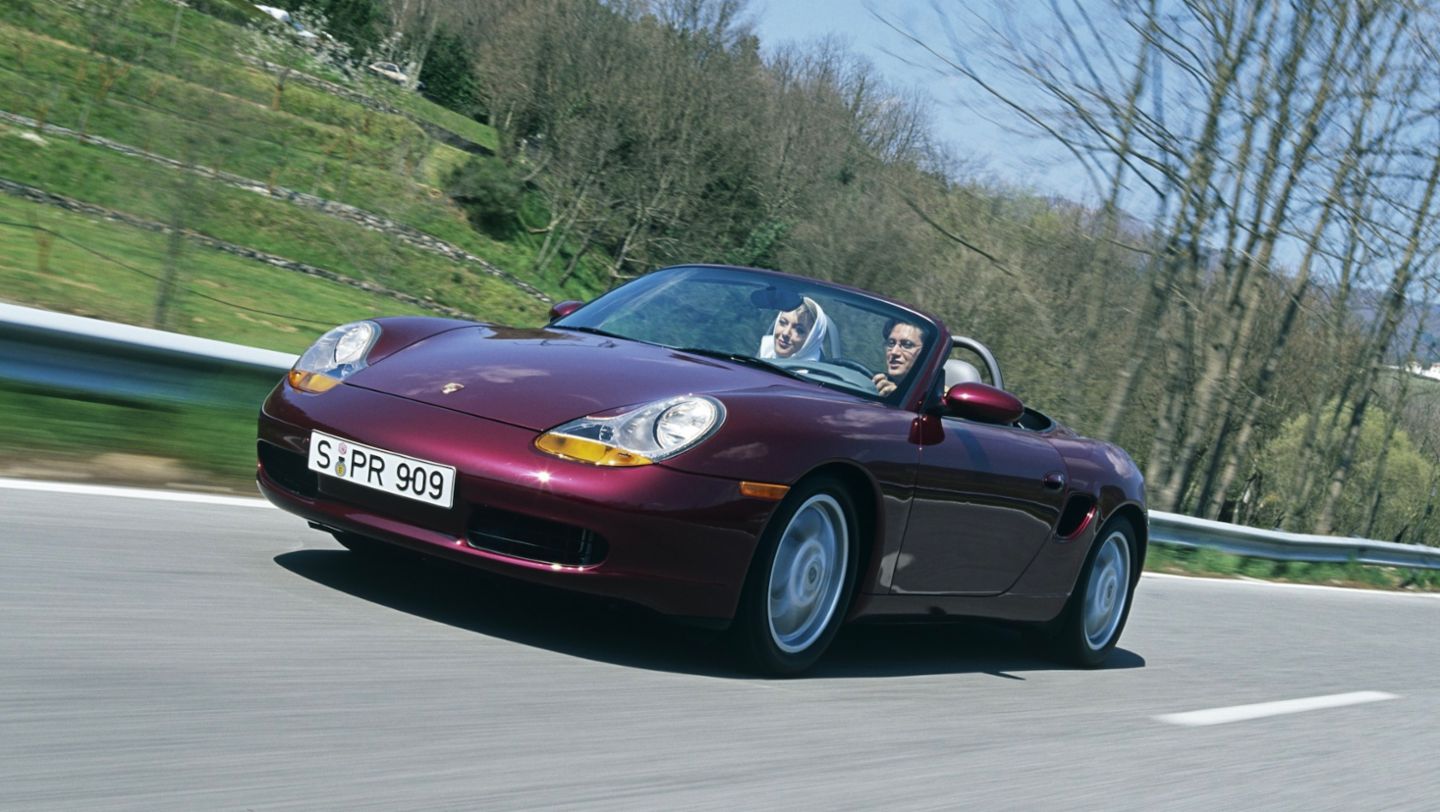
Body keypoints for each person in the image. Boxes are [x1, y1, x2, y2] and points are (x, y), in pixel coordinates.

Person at [757, 296, 832, 361]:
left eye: (799, 330)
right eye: (783, 322)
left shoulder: (816, 375)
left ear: (812, 340)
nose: (785, 333)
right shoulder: (765, 351)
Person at [872, 319, 925, 396]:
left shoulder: (931, 400)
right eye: (891, 343)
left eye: (907, 345)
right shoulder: (875, 382)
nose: (894, 352)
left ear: (926, 352)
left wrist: (896, 395)